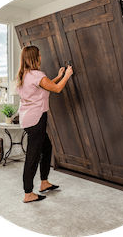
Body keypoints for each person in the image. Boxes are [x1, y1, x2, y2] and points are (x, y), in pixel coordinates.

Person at [15, 46, 74, 203]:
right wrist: (67, 76)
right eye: (39, 55)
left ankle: (44, 182)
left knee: (46, 148)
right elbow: (56, 89)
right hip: (37, 119)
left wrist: (59, 75)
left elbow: (44, 88)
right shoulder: (37, 75)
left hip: (27, 119)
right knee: (33, 156)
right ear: (35, 58)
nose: (41, 57)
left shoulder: (24, 75)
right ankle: (28, 193)